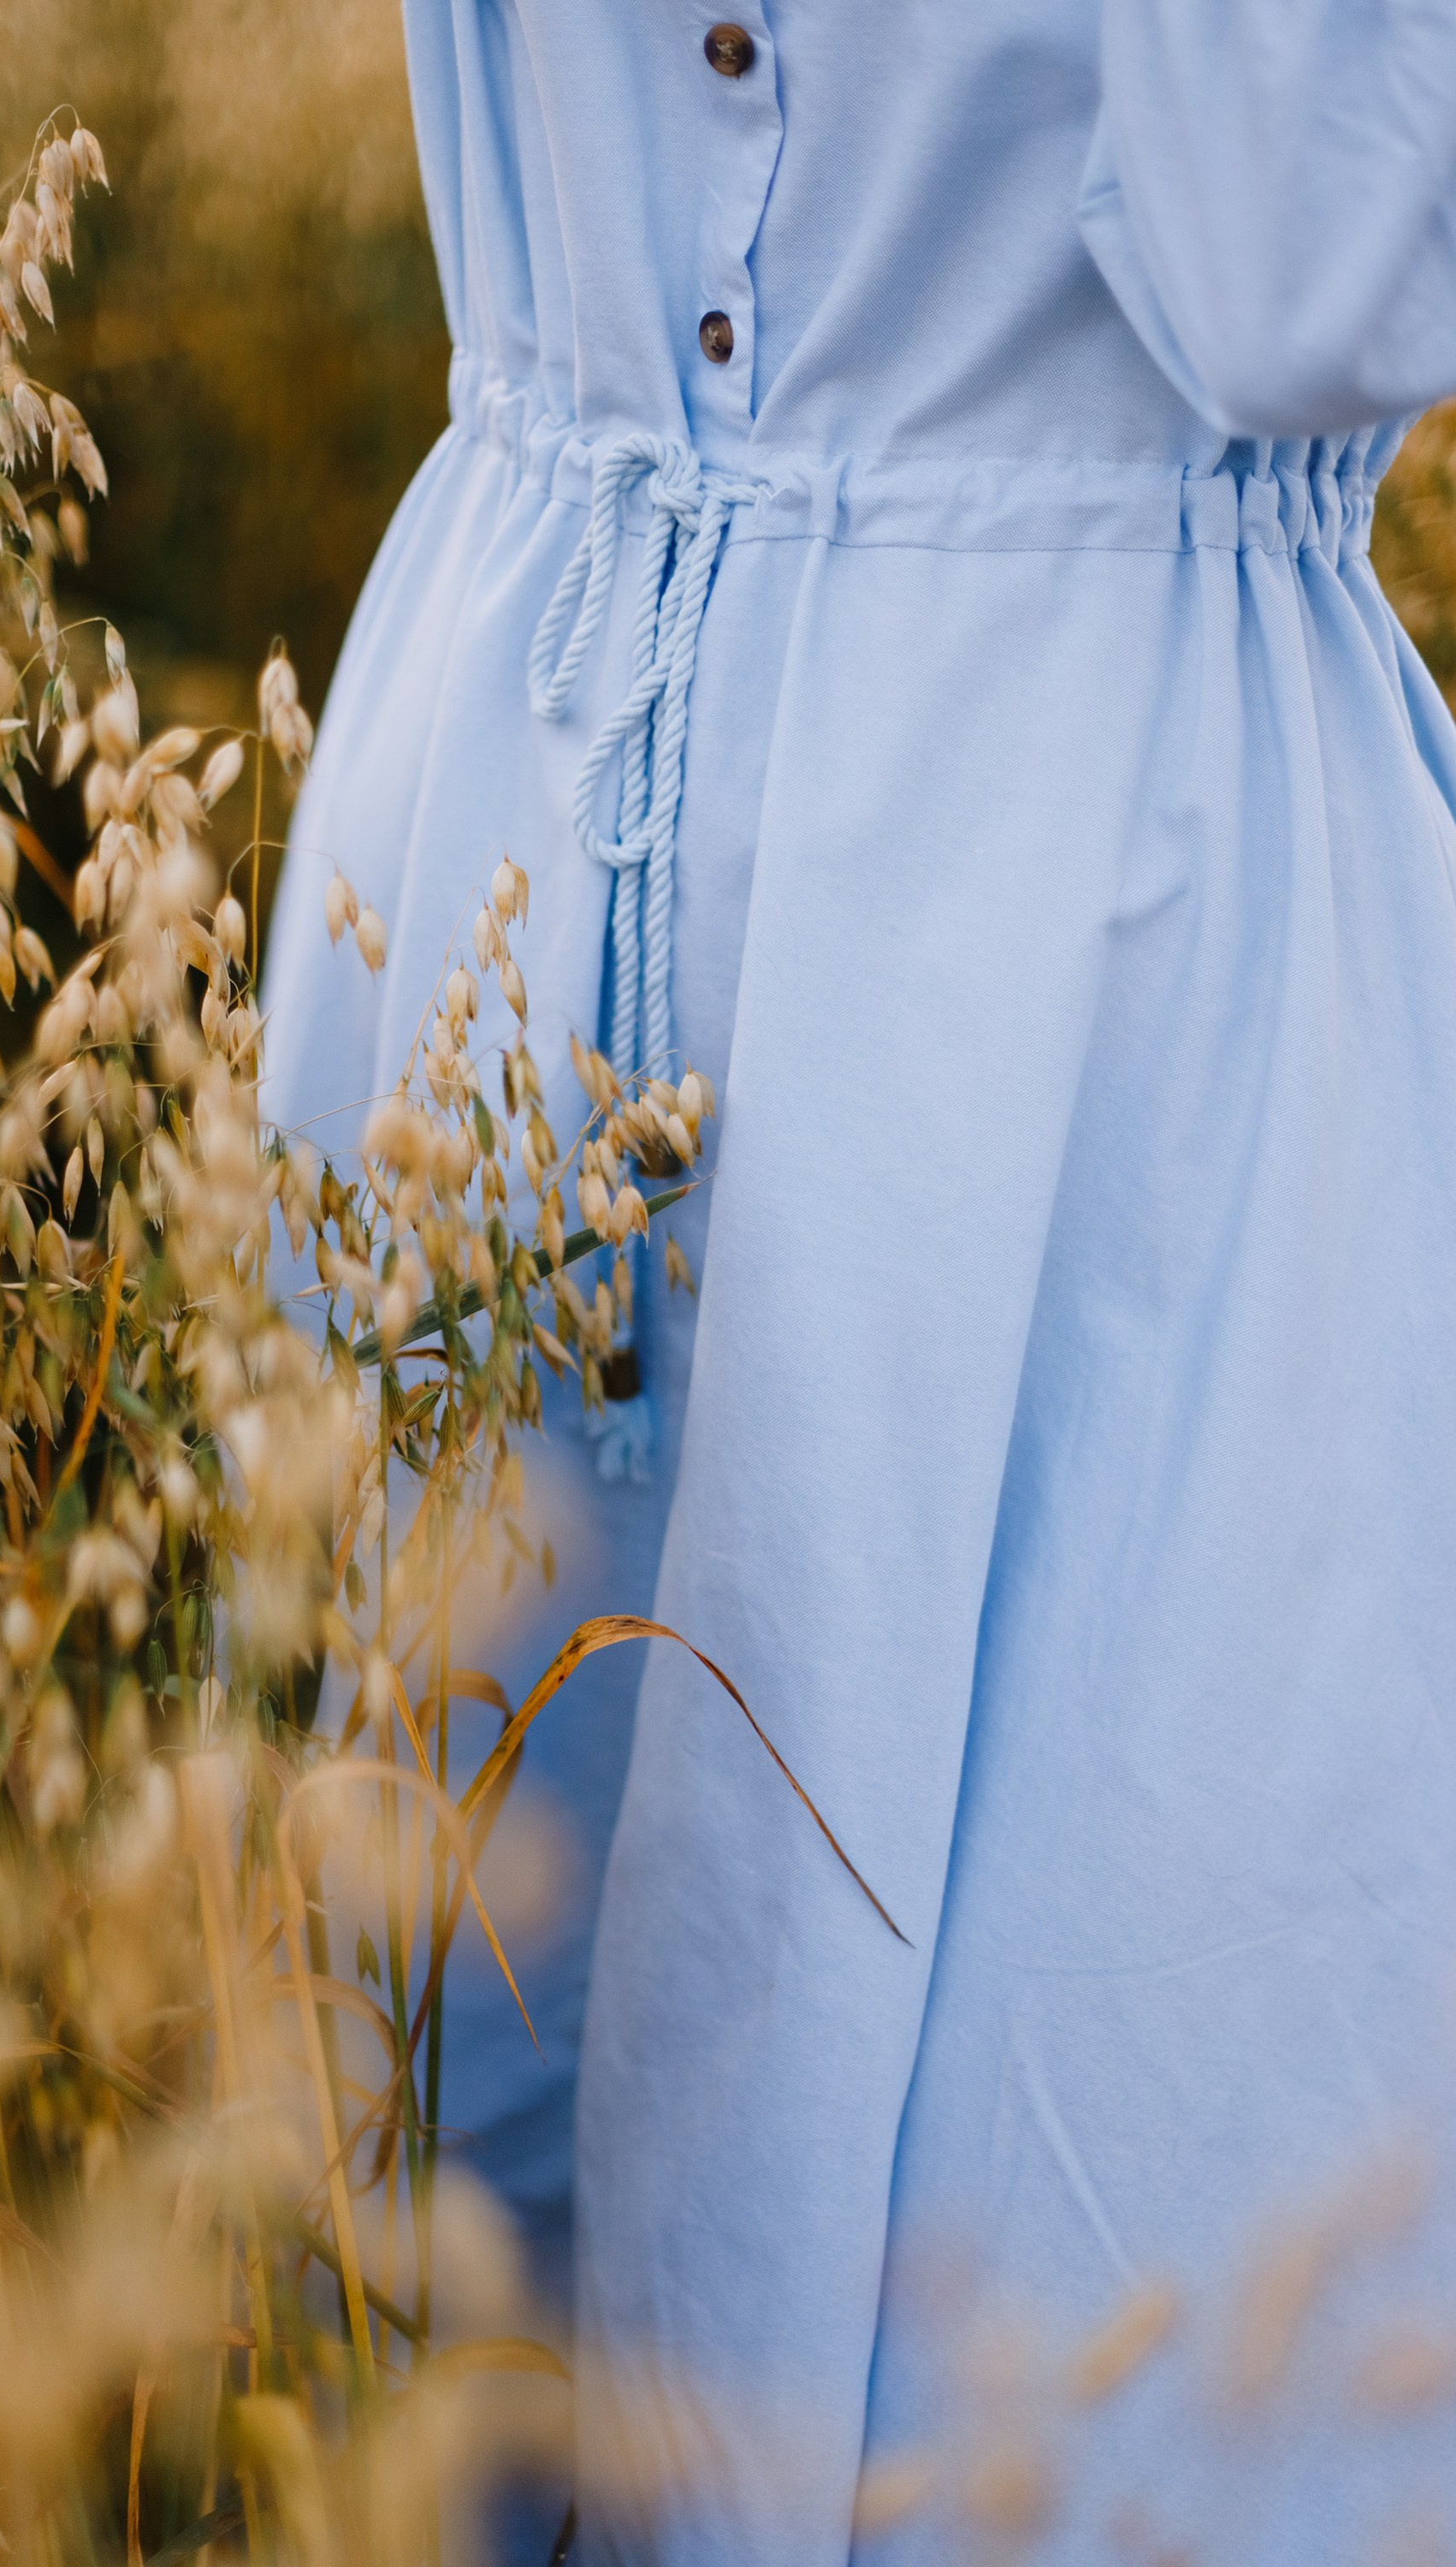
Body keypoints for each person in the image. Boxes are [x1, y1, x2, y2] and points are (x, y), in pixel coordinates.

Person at [263, 5, 1456, 2556]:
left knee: (1068, 2259)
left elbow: (1294, 280)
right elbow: (1309, 251)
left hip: (989, 969)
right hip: (669, 835)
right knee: (448, 2202)